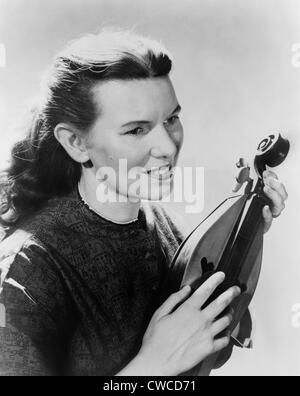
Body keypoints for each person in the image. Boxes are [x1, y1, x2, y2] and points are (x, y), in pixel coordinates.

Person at [0, 29, 287, 376]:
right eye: (137, 129)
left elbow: (213, 346)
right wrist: (151, 366)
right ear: (76, 142)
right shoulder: (26, 270)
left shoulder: (169, 229)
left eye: (171, 119)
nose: (167, 146)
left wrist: (246, 229)